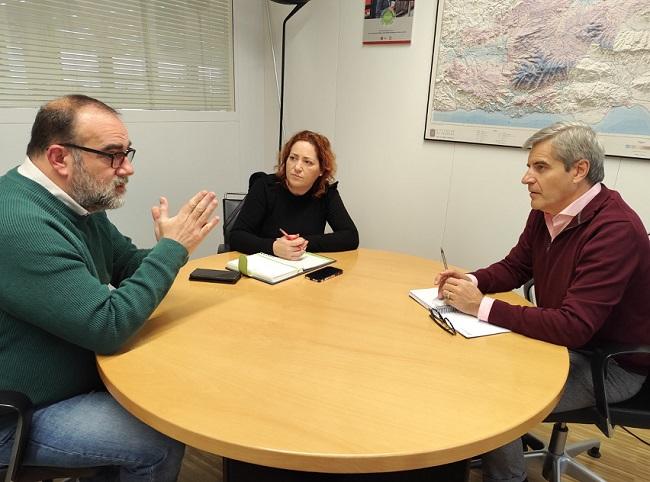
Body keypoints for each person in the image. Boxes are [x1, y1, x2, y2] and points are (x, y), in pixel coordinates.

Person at [0, 95, 220, 480]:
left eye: (127, 153)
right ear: (59, 158)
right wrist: (173, 249)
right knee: (156, 439)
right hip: (20, 414)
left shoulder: (73, 204)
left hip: (78, 379)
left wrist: (169, 245)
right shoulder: (19, 223)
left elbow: (129, 265)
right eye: (113, 155)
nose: (128, 168)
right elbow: (107, 328)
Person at [436, 121, 650, 482]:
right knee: (468, 365)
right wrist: (471, 280)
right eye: (529, 166)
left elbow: (574, 327)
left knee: (497, 399)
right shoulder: (547, 209)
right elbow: (517, 265)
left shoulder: (616, 230)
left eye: (540, 167)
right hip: (562, 344)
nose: (526, 178)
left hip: (610, 363)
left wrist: (480, 306)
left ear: (578, 170)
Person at [230, 130, 359, 260]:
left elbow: (350, 236)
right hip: (265, 266)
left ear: (321, 170)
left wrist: (302, 244)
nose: (297, 167)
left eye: (307, 162)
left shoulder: (326, 193)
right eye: (293, 158)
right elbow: (237, 236)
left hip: (303, 268)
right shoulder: (265, 186)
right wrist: (273, 247)